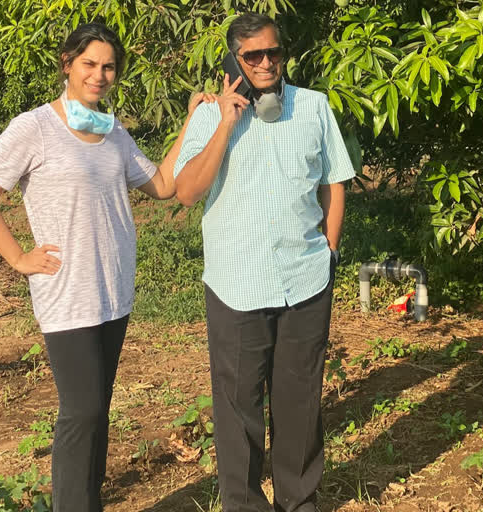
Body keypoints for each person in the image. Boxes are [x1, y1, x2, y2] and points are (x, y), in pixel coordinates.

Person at [0, 23, 214, 512]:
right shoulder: (33, 127)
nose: (99, 75)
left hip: (113, 289)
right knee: (80, 413)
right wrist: (18, 257)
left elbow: (162, 184)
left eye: (108, 67)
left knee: (98, 411)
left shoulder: (113, 132)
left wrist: (191, 123)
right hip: (67, 291)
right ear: (67, 64)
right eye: (89, 64)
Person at [174, 12, 355, 512]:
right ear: (235, 60)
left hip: (306, 280)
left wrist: (330, 250)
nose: (266, 62)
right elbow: (186, 192)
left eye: (273, 52)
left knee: (299, 405)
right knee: (238, 411)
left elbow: (334, 183)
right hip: (237, 284)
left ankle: (299, 501)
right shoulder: (211, 114)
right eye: (252, 55)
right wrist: (226, 122)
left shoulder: (314, 107)